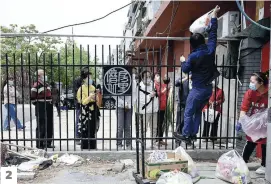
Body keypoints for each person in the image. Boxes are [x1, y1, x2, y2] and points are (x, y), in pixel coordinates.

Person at [173, 5, 220, 144]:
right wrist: (214, 16)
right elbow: (213, 34)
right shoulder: (210, 50)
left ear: (192, 45)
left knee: (188, 112)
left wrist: (182, 61)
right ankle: (193, 134)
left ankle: (187, 135)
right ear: (202, 41)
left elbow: (186, 70)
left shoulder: (193, 57)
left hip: (198, 89)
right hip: (208, 90)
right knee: (198, 111)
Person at [236, 72, 268, 175]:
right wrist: (241, 121)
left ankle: (264, 165)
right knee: (250, 140)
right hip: (255, 120)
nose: (250, 84)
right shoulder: (250, 92)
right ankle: (243, 162)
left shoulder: (269, 92)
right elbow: (244, 108)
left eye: (252, 81)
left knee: (265, 143)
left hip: (267, 122)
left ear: (261, 83)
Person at [77, 69, 101, 149]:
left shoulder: (93, 87)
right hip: (85, 110)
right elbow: (82, 102)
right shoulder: (81, 89)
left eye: (91, 77)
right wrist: (90, 97)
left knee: (93, 128)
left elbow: (97, 101)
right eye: (88, 77)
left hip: (93, 109)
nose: (90, 79)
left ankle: (92, 145)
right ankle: (85, 146)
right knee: (85, 128)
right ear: (84, 79)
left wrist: (97, 96)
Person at [31, 69, 54, 149]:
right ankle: (40, 144)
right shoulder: (36, 85)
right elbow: (32, 97)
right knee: (41, 124)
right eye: (43, 74)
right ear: (38, 76)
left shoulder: (46, 84)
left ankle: (47, 142)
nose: (45, 76)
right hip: (41, 105)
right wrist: (38, 103)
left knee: (49, 124)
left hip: (48, 105)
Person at [137, 70, 159, 147]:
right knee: (143, 128)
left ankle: (153, 143)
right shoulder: (140, 87)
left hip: (154, 110)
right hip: (145, 111)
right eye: (146, 77)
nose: (148, 78)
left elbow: (156, 97)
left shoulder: (153, 84)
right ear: (142, 78)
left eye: (149, 76)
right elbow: (141, 100)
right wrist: (149, 96)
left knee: (154, 128)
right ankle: (142, 143)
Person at [174, 72, 191, 146]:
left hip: (191, 104)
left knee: (189, 122)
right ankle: (178, 140)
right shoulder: (182, 79)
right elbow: (176, 83)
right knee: (180, 122)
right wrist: (186, 78)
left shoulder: (194, 80)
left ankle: (188, 140)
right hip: (182, 104)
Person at [154, 73, 170, 146]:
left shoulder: (162, 84)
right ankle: (157, 139)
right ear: (154, 78)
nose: (159, 77)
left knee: (161, 124)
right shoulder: (154, 85)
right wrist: (163, 91)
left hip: (163, 107)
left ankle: (160, 139)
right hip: (157, 107)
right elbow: (156, 94)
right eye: (157, 76)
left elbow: (167, 89)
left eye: (159, 75)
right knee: (157, 124)